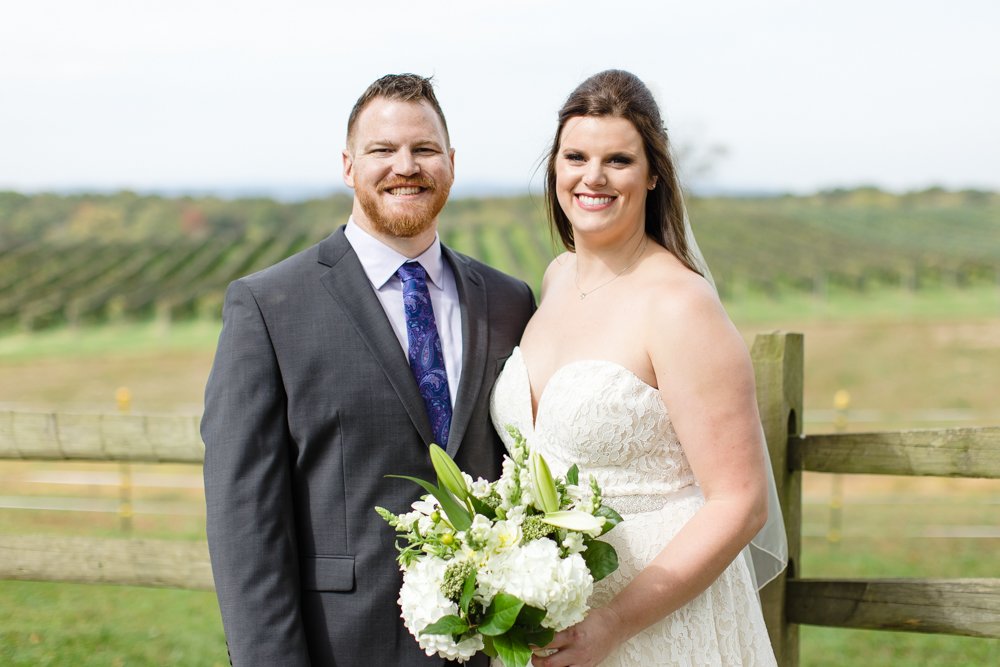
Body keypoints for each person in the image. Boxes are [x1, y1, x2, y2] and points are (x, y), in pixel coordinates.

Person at [202, 73, 535, 666]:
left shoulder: (509, 301)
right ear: (349, 165)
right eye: (382, 150)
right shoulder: (269, 306)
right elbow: (245, 522)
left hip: (490, 644)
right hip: (343, 644)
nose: (405, 166)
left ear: (451, 164)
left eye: (424, 149)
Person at [489, 69, 786, 666]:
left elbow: (741, 501)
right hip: (552, 623)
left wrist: (613, 624)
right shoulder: (554, 279)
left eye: (618, 160)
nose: (592, 177)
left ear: (653, 175)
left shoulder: (680, 305)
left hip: (658, 625)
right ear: (555, 168)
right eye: (575, 156)